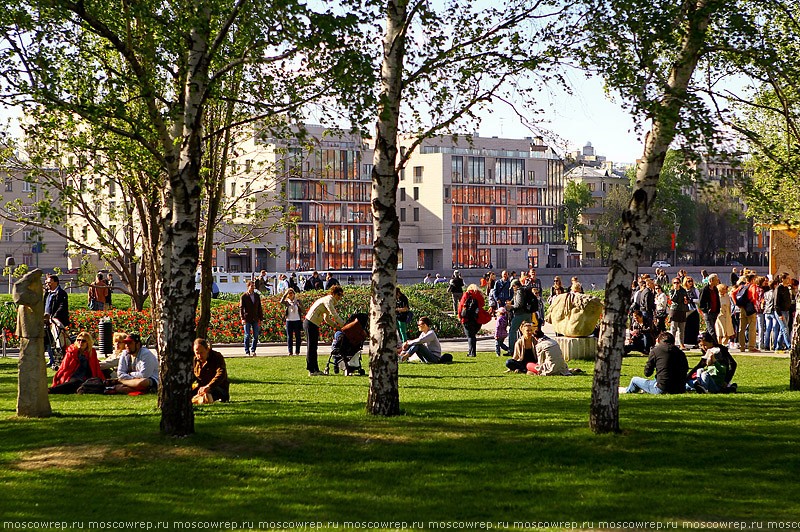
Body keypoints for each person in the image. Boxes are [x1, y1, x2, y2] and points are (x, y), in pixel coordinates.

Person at [620, 332, 688, 395]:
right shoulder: (680, 352)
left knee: (635, 380)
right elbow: (685, 369)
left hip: (662, 388)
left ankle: (626, 391)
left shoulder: (656, 351)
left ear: (658, 341)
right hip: (680, 388)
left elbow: (647, 373)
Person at [304, 285, 345, 376]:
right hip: (310, 323)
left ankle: (315, 370)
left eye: (341, 295)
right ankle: (312, 370)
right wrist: (344, 325)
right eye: (339, 294)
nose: (340, 297)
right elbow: (334, 314)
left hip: (313, 324)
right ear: (333, 293)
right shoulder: (328, 300)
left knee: (314, 347)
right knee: (311, 347)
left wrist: (337, 327)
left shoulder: (329, 301)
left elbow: (326, 319)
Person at [191, 338, 230, 403]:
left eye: (201, 353)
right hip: (201, 388)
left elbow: (221, 374)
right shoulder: (195, 360)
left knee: (208, 393)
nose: (199, 356)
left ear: (207, 350)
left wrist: (208, 386)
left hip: (216, 389)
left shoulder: (217, 357)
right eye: (197, 353)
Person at [43, 274, 70, 367]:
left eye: (49, 282)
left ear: (56, 282)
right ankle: (52, 360)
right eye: (47, 283)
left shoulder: (61, 293)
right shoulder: (47, 293)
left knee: (57, 341)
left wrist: (53, 317)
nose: (48, 284)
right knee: (48, 341)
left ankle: (59, 359)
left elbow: (62, 307)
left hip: (56, 321)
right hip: (47, 321)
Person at [458, 284, 490, 358]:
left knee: (470, 336)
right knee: (473, 336)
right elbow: (482, 304)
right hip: (476, 318)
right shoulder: (479, 295)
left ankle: (472, 352)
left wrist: (460, 316)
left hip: (467, 318)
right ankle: (472, 352)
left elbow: (461, 305)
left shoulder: (467, 294)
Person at [734, 273, 759, 352]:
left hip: (742, 308)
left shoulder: (742, 286)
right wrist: (754, 303)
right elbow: (754, 295)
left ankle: (742, 347)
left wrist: (736, 303)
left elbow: (732, 293)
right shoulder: (753, 286)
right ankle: (751, 346)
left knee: (742, 328)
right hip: (750, 308)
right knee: (752, 328)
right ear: (753, 279)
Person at [506, 279, 534, 349]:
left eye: (513, 287)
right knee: (527, 330)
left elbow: (519, 304)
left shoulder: (519, 291)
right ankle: (528, 347)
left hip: (520, 313)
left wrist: (510, 307)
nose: (513, 288)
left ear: (515, 286)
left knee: (512, 330)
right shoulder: (525, 290)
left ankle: (512, 349)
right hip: (528, 313)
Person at [240, 280, 263, 357]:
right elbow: (241, 308)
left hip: (255, 318)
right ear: (248, 286)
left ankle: (253, 350)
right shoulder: (244, 296)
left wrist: (261, 318)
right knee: (247, 335)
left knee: (256, 335)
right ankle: (247, 350)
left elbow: (259, 307)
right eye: (252, 286)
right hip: (247, 318)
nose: (253, 288)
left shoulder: (257, 296)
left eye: (254, 286)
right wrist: (242, 318)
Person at [279, 288, 305, 356]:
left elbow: (303, 310)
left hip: (297, 320)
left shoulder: (297, 301)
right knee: (289, 337)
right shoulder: (287, 302)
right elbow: (281, 301)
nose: (291, 295)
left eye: (292, 293)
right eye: (289, 294)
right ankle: (290, 351)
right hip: (289, 320)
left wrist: (299, 305)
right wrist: (285, 294)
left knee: (298, 337)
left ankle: (297, 351)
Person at [669, 277, 689, 349]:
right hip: (675, 310)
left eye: (677, 283)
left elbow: (687, 298)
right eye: (674, 283)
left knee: (682, 329)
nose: (676, 284)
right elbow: (673, 299)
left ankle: (681, 344)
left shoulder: (683, 290)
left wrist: (686, 301)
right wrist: (676, 291)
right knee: (674, 328)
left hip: (682, 310)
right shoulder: (671, 290)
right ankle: (672, 343)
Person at [698, 274, 721, 339]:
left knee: (709, 329)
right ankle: (715, 344)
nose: (718, 281)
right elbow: (701, 301)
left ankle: (706, 342)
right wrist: (705, 310)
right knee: (712, 330)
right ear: (711, 281)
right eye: (716, 280)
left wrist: (718, 310)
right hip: (708, 312)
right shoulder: (705, 289)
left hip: (715, 312)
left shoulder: (715, 289)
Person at [774, 272, 793, 351]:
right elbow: (776, 302)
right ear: (783, 279)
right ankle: (789, 346)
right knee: (785, 329)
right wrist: (779, 314)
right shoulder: (779, 288)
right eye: (787, 278)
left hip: (786, 310)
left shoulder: (787, 288)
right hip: (780, 311)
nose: (789, 280)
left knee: (783, 330)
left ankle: (778, 347)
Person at [683, 277, 701, 348]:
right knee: (687, 327)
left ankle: (695, 342)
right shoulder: (683, 290)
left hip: (694, 310)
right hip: (686, 310)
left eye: (691, 281)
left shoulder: (695, 290)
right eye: (688, 281)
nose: (690, 282)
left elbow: (699, 299)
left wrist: (692, 300)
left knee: (695, 327)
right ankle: (687, 341)